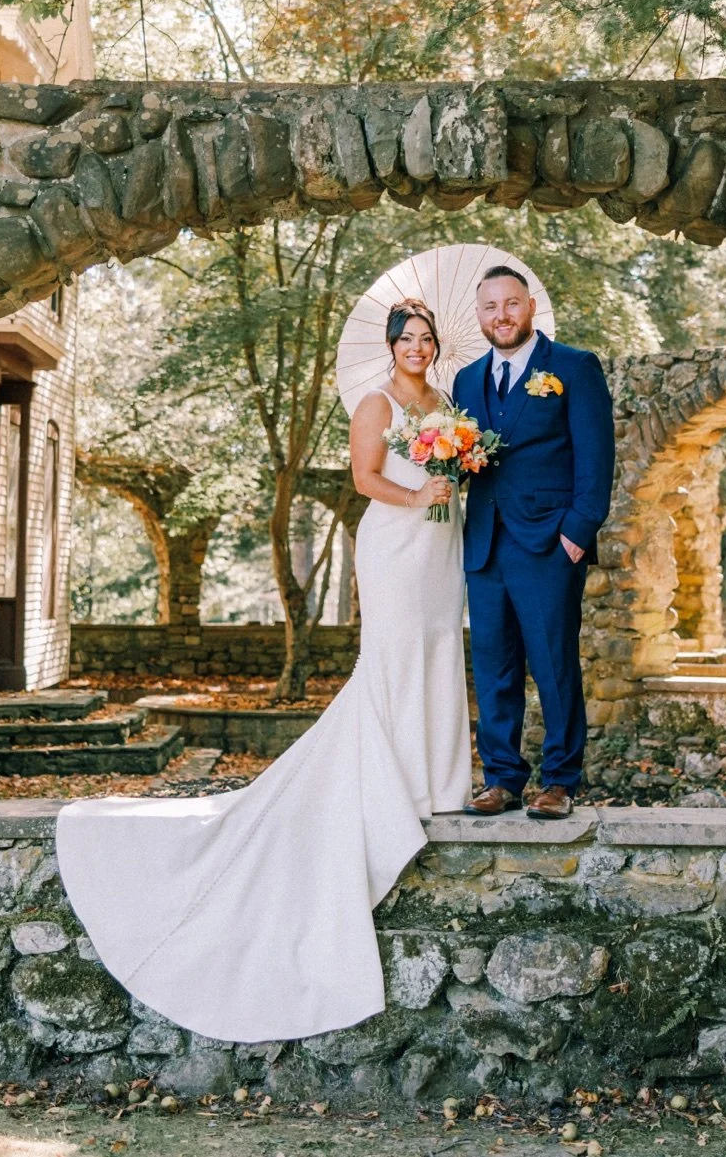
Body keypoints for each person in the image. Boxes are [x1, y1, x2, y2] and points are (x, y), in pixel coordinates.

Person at [54, 300, 470, 1044]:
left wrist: (455, 472)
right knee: (396, 654)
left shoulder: (447, 404)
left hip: (443, 546)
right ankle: (392, 777)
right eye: (407, 337)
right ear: (392, 346)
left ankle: (435, 778)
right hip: (397, 540)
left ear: (437, 345)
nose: (418, 346)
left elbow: (460, 462)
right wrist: (421, 492)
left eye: (427, 337)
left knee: (439, 648)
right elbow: (367, 479)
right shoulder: (375, 403)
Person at [450, 266, 615, 820]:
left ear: (530, 306)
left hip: (549, 544)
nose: (502, 315)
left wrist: (577, 533)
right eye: (491, 306)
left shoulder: (572, 366)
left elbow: (596, 458)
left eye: (511, 304)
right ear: (479, 315)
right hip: (486, 545)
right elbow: (472, 461)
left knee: (553, 665)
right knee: (494, 667)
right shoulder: (466, 381)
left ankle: (561, 781)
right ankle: (502, 778)